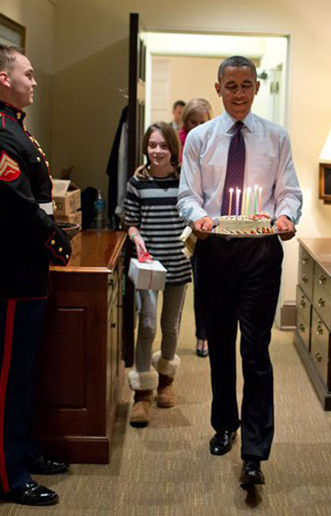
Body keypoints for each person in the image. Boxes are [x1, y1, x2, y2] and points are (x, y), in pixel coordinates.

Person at [178, 56, 302, 488]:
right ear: (218, 89)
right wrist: (198, 217)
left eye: (247, 85)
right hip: (213, 252)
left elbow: (288, 192)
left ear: (256, 88)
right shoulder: (198, 138)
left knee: (256, 351)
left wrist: (287, 216)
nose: (239, 93)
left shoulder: (276, 137)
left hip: (259, 255)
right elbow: (188, 196)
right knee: (220, 345)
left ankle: (255, 451)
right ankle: (224, 424)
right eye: (230, 86)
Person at [0, 44, 72, 506]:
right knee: (6, 376)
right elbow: (18, 205)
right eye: (28, 74)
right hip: (9, 267)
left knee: (24, 373)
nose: (35, 81)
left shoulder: (13, 129)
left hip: (24, 266)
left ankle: (23, 452)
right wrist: (54, 238)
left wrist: (50, 236)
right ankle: (7, 476)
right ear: (4, 78)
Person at [123, 122, 191, 427]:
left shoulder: (184, 181)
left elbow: (194, 215)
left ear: (173, 150)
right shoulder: (137, 183)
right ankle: (142, 393)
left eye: (163, 145)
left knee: (171, 326)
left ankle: (165, 381)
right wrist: (137, 240)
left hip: (178, 263)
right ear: (145, 148)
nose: (158, 151)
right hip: (149, 265)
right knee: (147, 325)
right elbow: (131, 222)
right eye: (152, 145)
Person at [178, 97, 214, 358]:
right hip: (179, 221)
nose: (198, 127)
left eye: (203, 122)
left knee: (207, 284)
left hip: (206, 222)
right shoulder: (176, 145)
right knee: (191, 282)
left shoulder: (216, 144)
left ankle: (204, 335)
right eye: (193, 123)